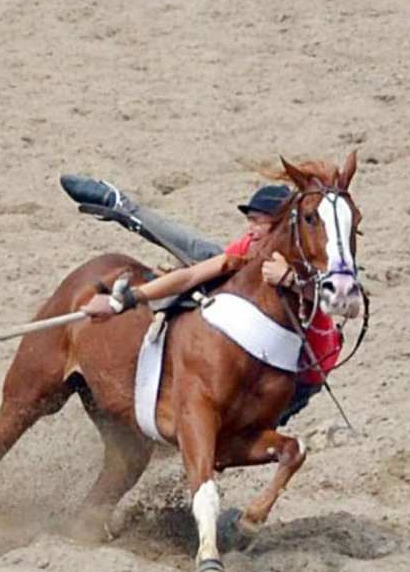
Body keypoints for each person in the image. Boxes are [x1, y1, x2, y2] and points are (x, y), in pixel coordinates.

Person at [60, 176, 342, 426]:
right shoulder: (250, 248)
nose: (250, 230)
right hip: (250, 354)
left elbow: (341, 303)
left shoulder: (308, 259)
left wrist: (290, 280)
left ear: (281, 227)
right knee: (202, 254)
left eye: (258, 222)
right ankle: (120, 206)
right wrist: (132, 298)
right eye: (250, 221)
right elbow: (193, 274)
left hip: (295, 377)